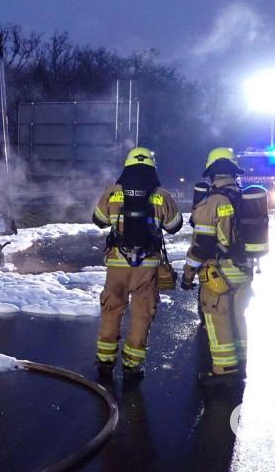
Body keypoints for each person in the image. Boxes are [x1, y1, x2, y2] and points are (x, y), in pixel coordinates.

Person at [93, 147, 182, 379]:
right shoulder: (161, 194)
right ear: (152, 166)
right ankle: (132, 365)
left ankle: (104, 362)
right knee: (142, 314)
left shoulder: (113, 192)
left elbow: (99, 221)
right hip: (147, 265)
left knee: (111, 311)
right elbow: (175, 226)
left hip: (117, 264)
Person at [180, 148, 252, 386]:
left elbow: (202, 245)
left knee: (217, 317)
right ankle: (241, 360)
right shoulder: (243, 196)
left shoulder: (213, 201)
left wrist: (188, 274)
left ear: (212, 174)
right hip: (244, 269)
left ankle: (224, 368)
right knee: (238, 316)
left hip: (218, 271)